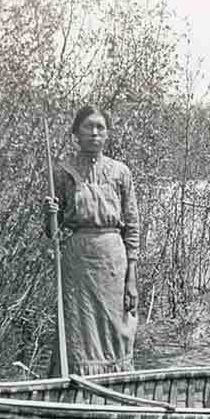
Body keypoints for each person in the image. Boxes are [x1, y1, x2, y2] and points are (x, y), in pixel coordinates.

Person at [41, 105, 139, 376]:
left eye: (100, 127)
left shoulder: (120, 172)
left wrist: (132, 278)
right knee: (77, 329)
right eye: (88, 127)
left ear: (107, 134)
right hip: (78, 263)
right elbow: (52, 231)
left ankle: (117, 382)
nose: (95, 133)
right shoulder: (62, 172)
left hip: (113, 262)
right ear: (76, 133)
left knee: (117, 329)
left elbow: (132, 226)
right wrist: (49, 213)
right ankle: (75, 383)